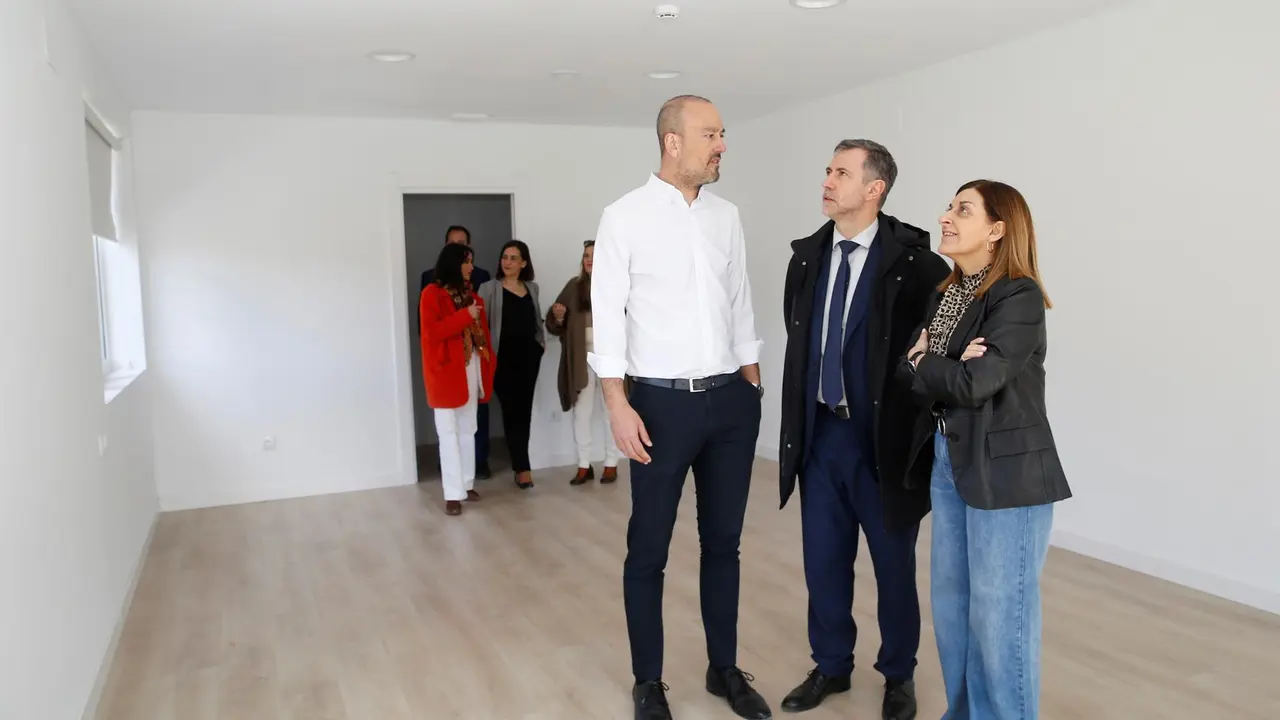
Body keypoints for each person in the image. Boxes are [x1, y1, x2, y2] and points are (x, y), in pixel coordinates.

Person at [590, 94, 770, 720]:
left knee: (723, 544)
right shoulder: (624, 217)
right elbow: (607, 321)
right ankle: (648, 682)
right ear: (672, 141)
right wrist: (617, 403)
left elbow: (741, 304)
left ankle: (724, 670)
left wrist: (751, 387)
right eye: (711, 134)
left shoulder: (727, 216)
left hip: (729, 405)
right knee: (649, 549)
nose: (722, 145)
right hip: (660, 408)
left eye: (722, 133)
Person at [776, 139, 949, 720]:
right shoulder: (807, 257)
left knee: (892, 566)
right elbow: (800, 342)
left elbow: (935, 353)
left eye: (842, 173)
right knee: (823, 560)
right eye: (827, 169)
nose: (827, 180)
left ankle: (899, 674)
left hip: (882, 443)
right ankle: (831, 665)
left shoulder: (918, 264)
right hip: (820, 435)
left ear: (874, 189)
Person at [899, 179, 1071, 720]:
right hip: (950, 461)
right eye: (950, 206)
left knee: (1002, 619)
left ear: (997, 231)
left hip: (1007, 475)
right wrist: (939, 364)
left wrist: (930, 361)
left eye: (963, 209)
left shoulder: (1018, 296)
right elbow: (914, 373)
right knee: (953, 611)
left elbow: (976, 381)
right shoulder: (948, 294)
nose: (947, 216)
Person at [419, 242, 495, 516]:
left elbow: (481, 335)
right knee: (447, 432)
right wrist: (466, 316)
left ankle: (466, 483)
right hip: (444, 371)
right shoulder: (432, 294)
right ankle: (452, 493)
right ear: (454, 263)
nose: (471, 267)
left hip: (470, 366)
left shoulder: (471, 296)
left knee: (468, 428)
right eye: (466, 261)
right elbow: (432, 333)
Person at [546, 239, 621, 485]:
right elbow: (556, 323)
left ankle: (611, 463)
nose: (589, 259)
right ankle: (583, 465)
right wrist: (558, 316)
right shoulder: (573, 286)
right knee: (582, 412)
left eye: (594, 255)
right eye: (586, 255)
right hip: (582, 360)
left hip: (610, 360)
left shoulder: (616, 285)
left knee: (612, 411)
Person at [477, 240, 545, 489]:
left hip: (529, 357)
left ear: (523, 263)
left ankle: (522, 467)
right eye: (505, 256)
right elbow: (480, 326)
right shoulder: (488, 288)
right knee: (510, 410)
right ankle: (521, 466)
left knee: (523, 411)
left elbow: (536, 320)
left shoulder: (532, 288)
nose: (507, 261)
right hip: (501, 359)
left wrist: (540, 345)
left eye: (513, 257)